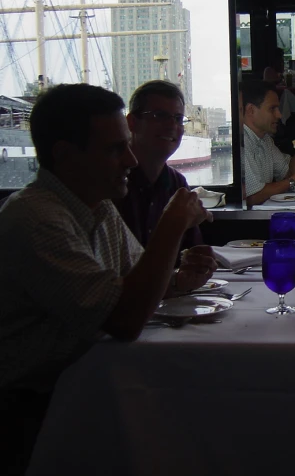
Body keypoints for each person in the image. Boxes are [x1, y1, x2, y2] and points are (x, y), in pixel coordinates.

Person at [0, 83, 217, 475]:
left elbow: (140, 281)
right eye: (116, 148)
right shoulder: (35, 219)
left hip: (93, 382)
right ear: (65, 155)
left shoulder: (95, 207)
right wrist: (172, 224)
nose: (131, 161)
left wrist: (181, 279)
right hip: (34, 411)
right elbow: (123, 319)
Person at [113, 80, 203, 251]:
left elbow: (191, 252)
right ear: (131, 122)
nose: (171, 126)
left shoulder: (178, 185)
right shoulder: (111, 183)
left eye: (178, 118)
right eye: (159, 116)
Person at [241, 79, 295, 206]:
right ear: (250, 110)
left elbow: (287, 172)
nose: (279, 115)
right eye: (272, 109)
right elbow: (252, 197)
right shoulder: (243, 142)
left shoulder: (265, 140)